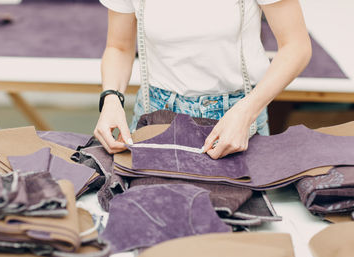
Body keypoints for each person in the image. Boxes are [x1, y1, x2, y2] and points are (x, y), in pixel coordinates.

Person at [94, 0, 311, 159]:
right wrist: (111, 98)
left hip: (237, 116)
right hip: (155, 113)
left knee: (240, 215)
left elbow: (296, 46)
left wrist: (246, 112)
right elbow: (119, 47)